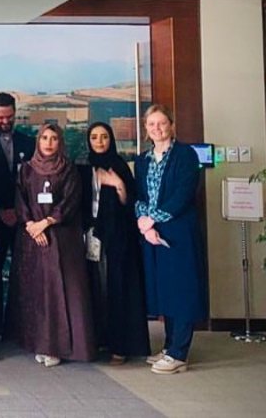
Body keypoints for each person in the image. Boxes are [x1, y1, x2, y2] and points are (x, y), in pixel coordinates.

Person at [7, 123, 95, 367]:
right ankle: (40, 343)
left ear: (60, 142)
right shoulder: (26, 170)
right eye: (44, 137)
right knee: (38, 292)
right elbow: (20, 201)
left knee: (62, 292)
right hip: (32, 241)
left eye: (53, 138)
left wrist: (45, 223)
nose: (48, 143)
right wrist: (32, 226)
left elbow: (70, 202)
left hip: (62, 239)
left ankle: (60, 346)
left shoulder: (68, 170)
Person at [135, 104, 206, 375]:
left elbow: (183, 194)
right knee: (165, 290)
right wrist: (144, 225)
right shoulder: (143, 160)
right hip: (152, 235)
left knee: (183, 291)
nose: (157, 128)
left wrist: (153, 219)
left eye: (162, 123)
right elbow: (139, 194)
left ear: (172, 125)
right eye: (151, 124)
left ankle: (179, 353)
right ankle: (168, 346)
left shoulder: (185, 155)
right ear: (146, 129)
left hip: (179, 233)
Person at [78, 122, 150, 365]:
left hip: (118, 238)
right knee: (95, 290)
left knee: (118, 289)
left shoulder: (119, 165)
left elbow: (130, 203)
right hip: (91, 237)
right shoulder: (83, 166)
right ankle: (99, 340)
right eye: (95, 137)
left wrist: (116, 184)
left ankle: (121, 346)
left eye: (104, 137)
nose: (99, 142)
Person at [0, 92, 35, 337]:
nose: (5, 121)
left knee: (25, 274)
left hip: (24, 219)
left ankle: (22, 328)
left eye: (9, 117)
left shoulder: (28, 143)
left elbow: (32, 183)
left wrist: (19, 211)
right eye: (0, 117)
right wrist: (0, 210)